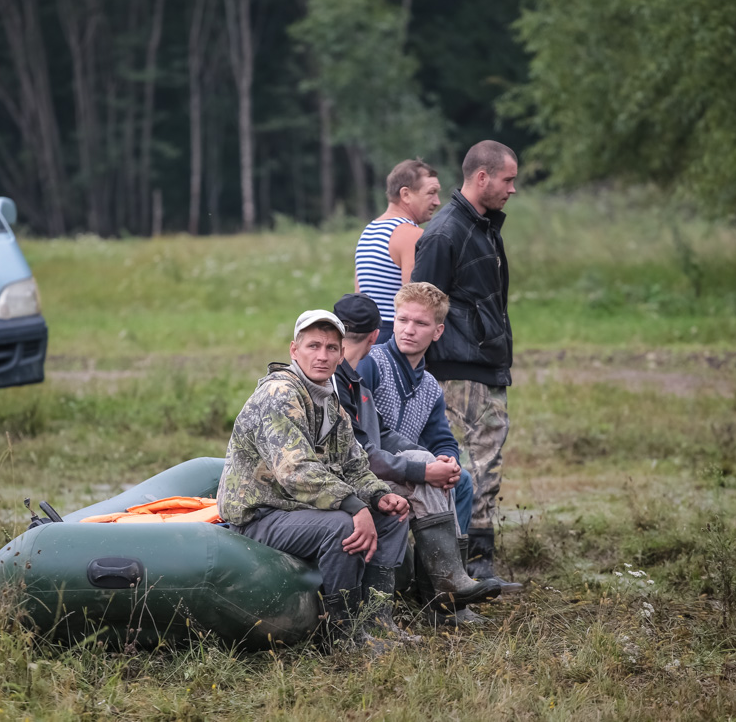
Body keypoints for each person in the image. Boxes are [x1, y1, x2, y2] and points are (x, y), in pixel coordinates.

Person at [217, 310, 412, 651]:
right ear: (294, 350)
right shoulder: (279, 395)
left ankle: (378, 620)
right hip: (261, 515)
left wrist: (379, 496)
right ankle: (343, 636)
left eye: (331, 348)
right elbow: (296, 470)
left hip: (298, 510)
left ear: (341, 353)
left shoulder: (328, 401)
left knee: (392, 515)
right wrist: (354, 506)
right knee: (343, 525)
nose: (322, 355)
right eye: (313, 346)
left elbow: (354, 465)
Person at [333, 292, 503, 625]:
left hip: (385, 462)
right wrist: (424, 468)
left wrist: (444, 462)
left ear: (438, 331)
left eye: (420, 323)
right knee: (430, 476)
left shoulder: (427, 385)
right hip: (372, 469)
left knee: (460, 479)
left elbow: (438, 436)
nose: (409, 330)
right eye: (402, 321)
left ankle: (446, 591)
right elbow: (365, 451)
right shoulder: (368, 365)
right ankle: (443, 593)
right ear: (383, 329)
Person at [410, 140, 518, 585]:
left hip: (485, 364)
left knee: (486, 462)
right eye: (508, 179)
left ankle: (479, 563)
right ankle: (457, 570)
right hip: (456, 370)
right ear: (481, 177)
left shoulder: (484, 227)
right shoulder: (445, 232)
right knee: (464, 466)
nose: (513, 189)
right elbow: (420, 306)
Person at [354, 159, 442, 344]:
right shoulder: (411, 235)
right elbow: (415, 302)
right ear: (406, 194)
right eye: (431, 193)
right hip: (394, 335)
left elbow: (359, 296)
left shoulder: (369, 231)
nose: (437, 201)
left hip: (367, 335)